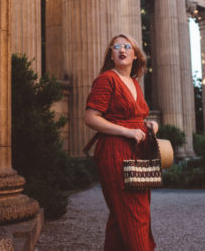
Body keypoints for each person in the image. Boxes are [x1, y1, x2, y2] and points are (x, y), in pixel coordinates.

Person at [84, 34, 158, 251]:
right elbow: (90, 118)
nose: (122, 50)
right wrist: (128, 131)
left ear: (135, 55)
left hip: (138, 151)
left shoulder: (134, 82)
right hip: (115, 152)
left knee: (124, 215)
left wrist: (149, 126)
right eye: (116, 47)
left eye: (127, 47)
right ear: (111, 54)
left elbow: (137, 119)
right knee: (133, 212)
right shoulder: (106, 79)